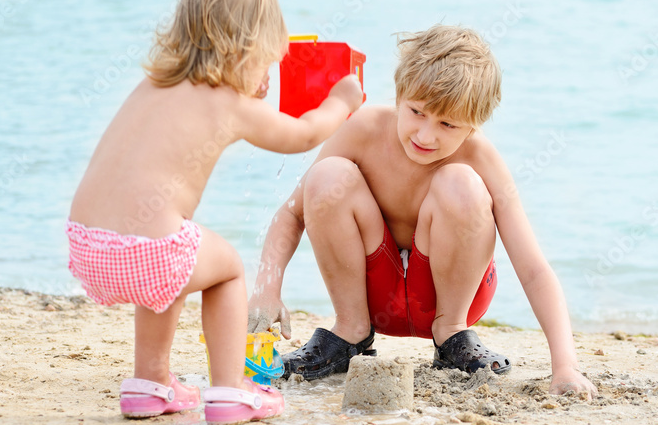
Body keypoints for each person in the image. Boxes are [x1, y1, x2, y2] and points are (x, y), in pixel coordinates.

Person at [66, 0, 363, 425]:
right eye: (265, 60)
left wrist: (251, 91)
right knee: (225, 270)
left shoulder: (154, 84)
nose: (266, 74)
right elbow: (304, 134)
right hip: (147, 253)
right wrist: (341, 101)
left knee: (171, 257)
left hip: (88, 249)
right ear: (246, 49)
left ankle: (150, 383)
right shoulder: (230, 104)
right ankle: (230, 391)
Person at [248, 25, 596, 397]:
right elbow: (291, 214)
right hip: (372, 293)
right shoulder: (363, 129)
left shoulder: (480, 157)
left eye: (447, 124)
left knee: (461, 182)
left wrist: (565, 367)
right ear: (399, 96)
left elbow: (533, 267)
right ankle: (349, 333)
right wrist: (267, 290)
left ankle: (451, 336)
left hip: (450, 299)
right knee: (327, 175)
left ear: (473, 126)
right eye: (416, 112)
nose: (425, 135)